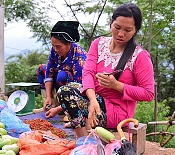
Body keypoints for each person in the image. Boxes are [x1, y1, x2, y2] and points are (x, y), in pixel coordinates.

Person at [57, 3, 155, 138]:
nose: (121, 34)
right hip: (95, 102)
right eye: (117, 27)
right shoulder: (98, 44)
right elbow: (88, 73)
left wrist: (116, 86)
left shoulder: (139, 56)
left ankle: (84, 133)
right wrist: (92, 99)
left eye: (128, 30)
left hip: (117, 112)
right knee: (65, 90)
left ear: (135, 30)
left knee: (68, 92)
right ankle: (81, 138)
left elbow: (148, 93)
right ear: (111, 23)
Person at [34, 21, 87, 120]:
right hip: (59, 83)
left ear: (69, 44)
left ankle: (68, 109)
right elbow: (49, 72)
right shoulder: (55, 50)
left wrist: (60, 109)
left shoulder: (80, 60)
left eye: (58, 47)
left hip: (75, 91)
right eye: (53, 46)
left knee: (62, 75)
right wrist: (48, 96)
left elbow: (80, 90)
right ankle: (50, 103)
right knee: (42, 69)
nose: (55, 49)